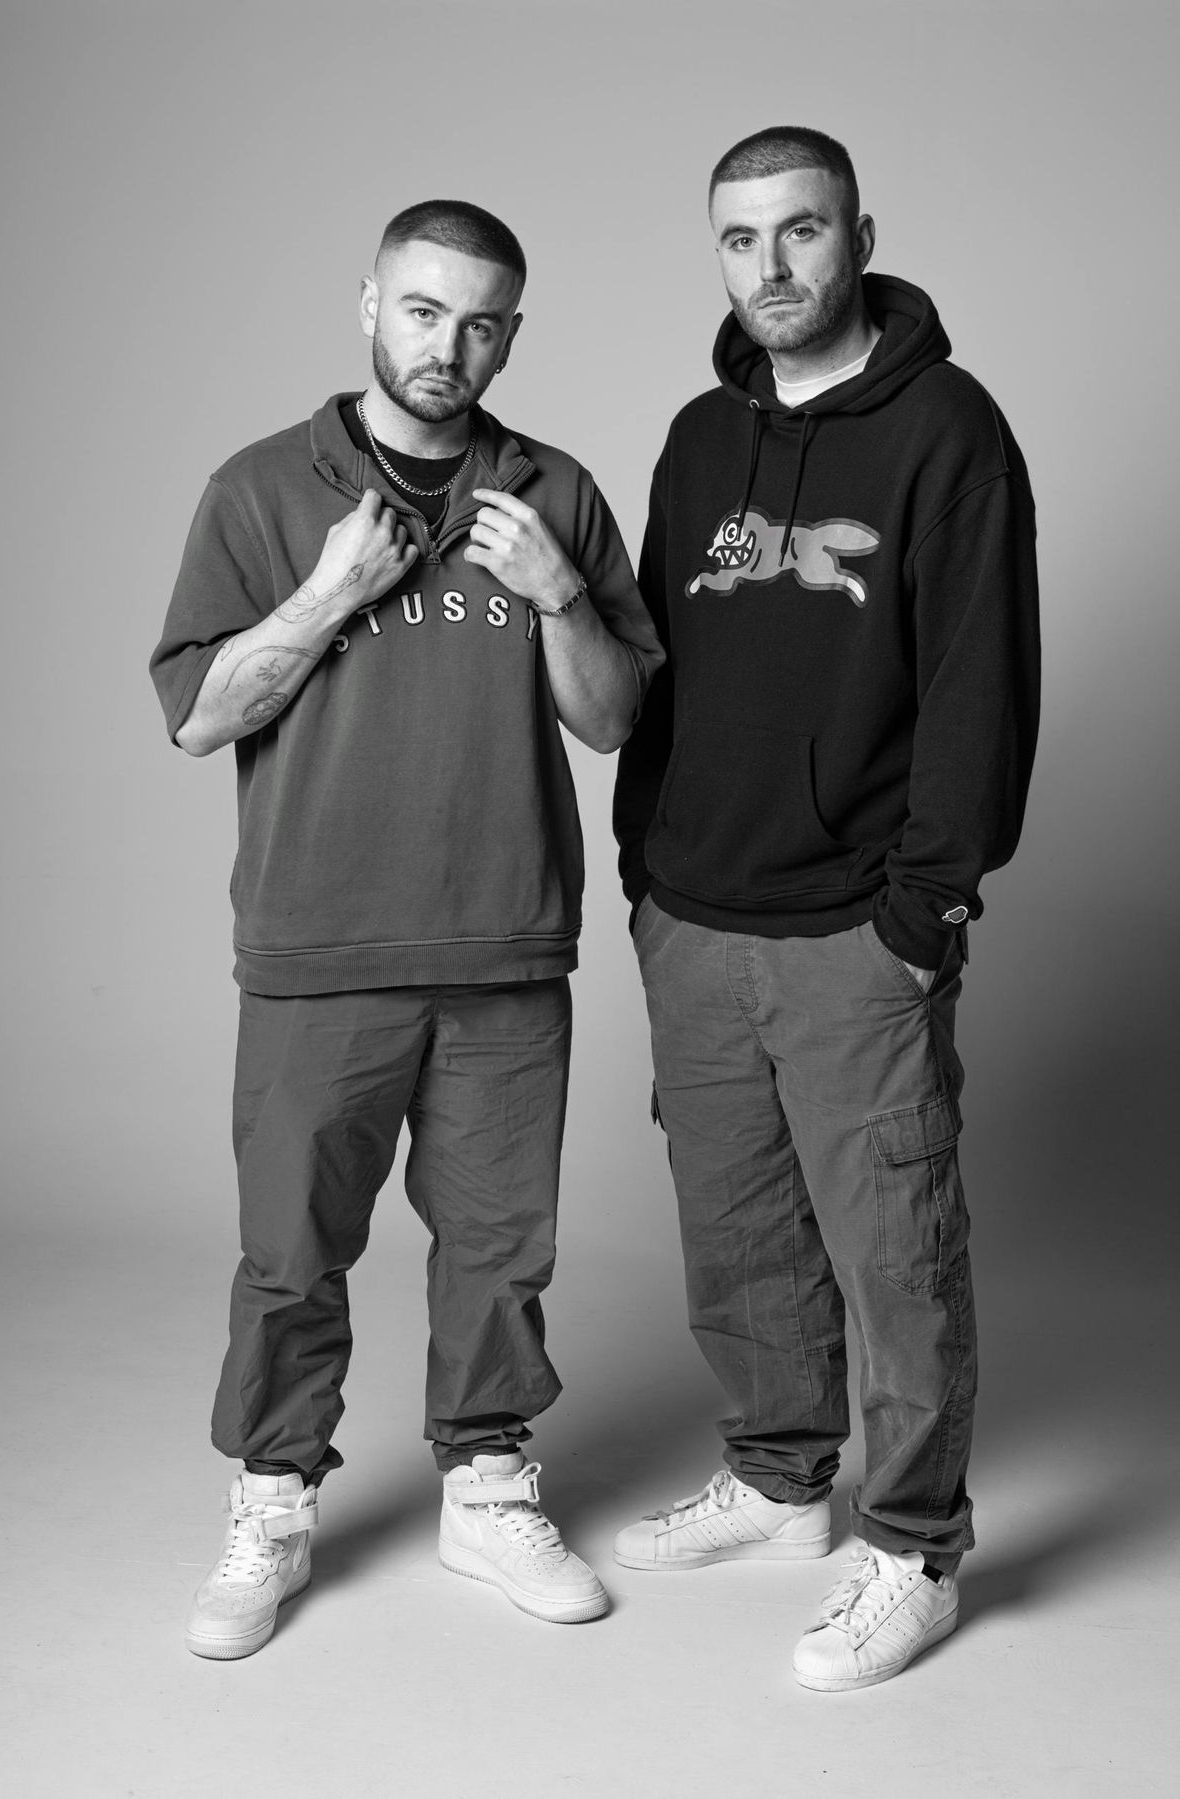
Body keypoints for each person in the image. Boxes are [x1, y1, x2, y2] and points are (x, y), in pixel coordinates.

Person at [151, 199, 663, 1659]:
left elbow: (614, 719)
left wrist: (559, 596)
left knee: (501, 1251)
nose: (451, 346)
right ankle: (272, 1501)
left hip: (505, 945)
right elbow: (199, 717)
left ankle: (487, 1488)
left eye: (482, 323)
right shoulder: (261, 489)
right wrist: (330, 592)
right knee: (290, 1253)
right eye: (425, 311)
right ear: (369, 305)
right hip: (318, 948)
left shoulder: (554, 491)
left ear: (512, 335)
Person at [612, 127, 1039, 1691]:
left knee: (896, 1249)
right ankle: (782, 1480)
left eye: (800, 231)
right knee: (738, 1229)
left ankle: (914, 1548)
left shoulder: (947, 430)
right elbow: (655, 674)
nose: (771, 266)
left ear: (858, 234)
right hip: (696, 918)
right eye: (740, 238)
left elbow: (981, 684)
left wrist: (924, 908)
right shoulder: (695, 439)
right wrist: (645, 867)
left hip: (859, 924)